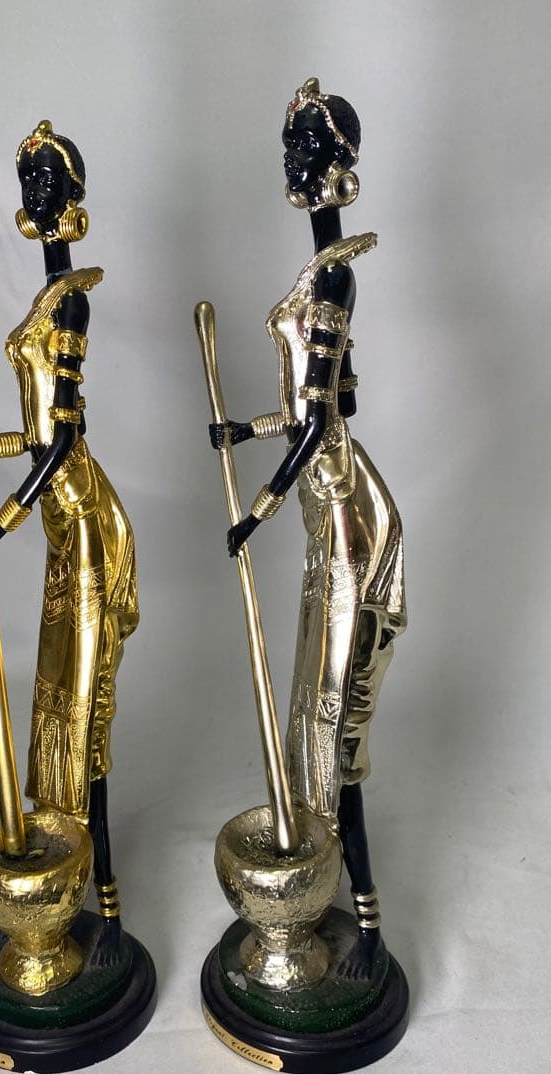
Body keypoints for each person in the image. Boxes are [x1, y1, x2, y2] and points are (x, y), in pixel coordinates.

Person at [211, 79, 406, 978]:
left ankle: (366, 926)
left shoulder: (335, 274)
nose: (293, 165)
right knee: (305, 722)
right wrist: (243, 431)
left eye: (306, 151)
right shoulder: (318, 272)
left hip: (344, 521)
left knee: (331, 732)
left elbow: (324, 418)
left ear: (336, 167)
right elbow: (311, 414)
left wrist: (257, 507)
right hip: (322, 518)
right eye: (289, 149)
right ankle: (321, 900)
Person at [0, 121, 138, 963]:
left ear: (71, 198)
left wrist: (0, 523)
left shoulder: (72, 299)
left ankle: (108, 902)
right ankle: (80, 886)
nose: (34, 196)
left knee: (83, 708)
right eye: (26, 182)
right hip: (60, 525)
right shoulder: (43, 300)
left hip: (82, 523)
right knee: (55, 702)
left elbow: (62, 445)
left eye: (46, 182)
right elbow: (33, 439)